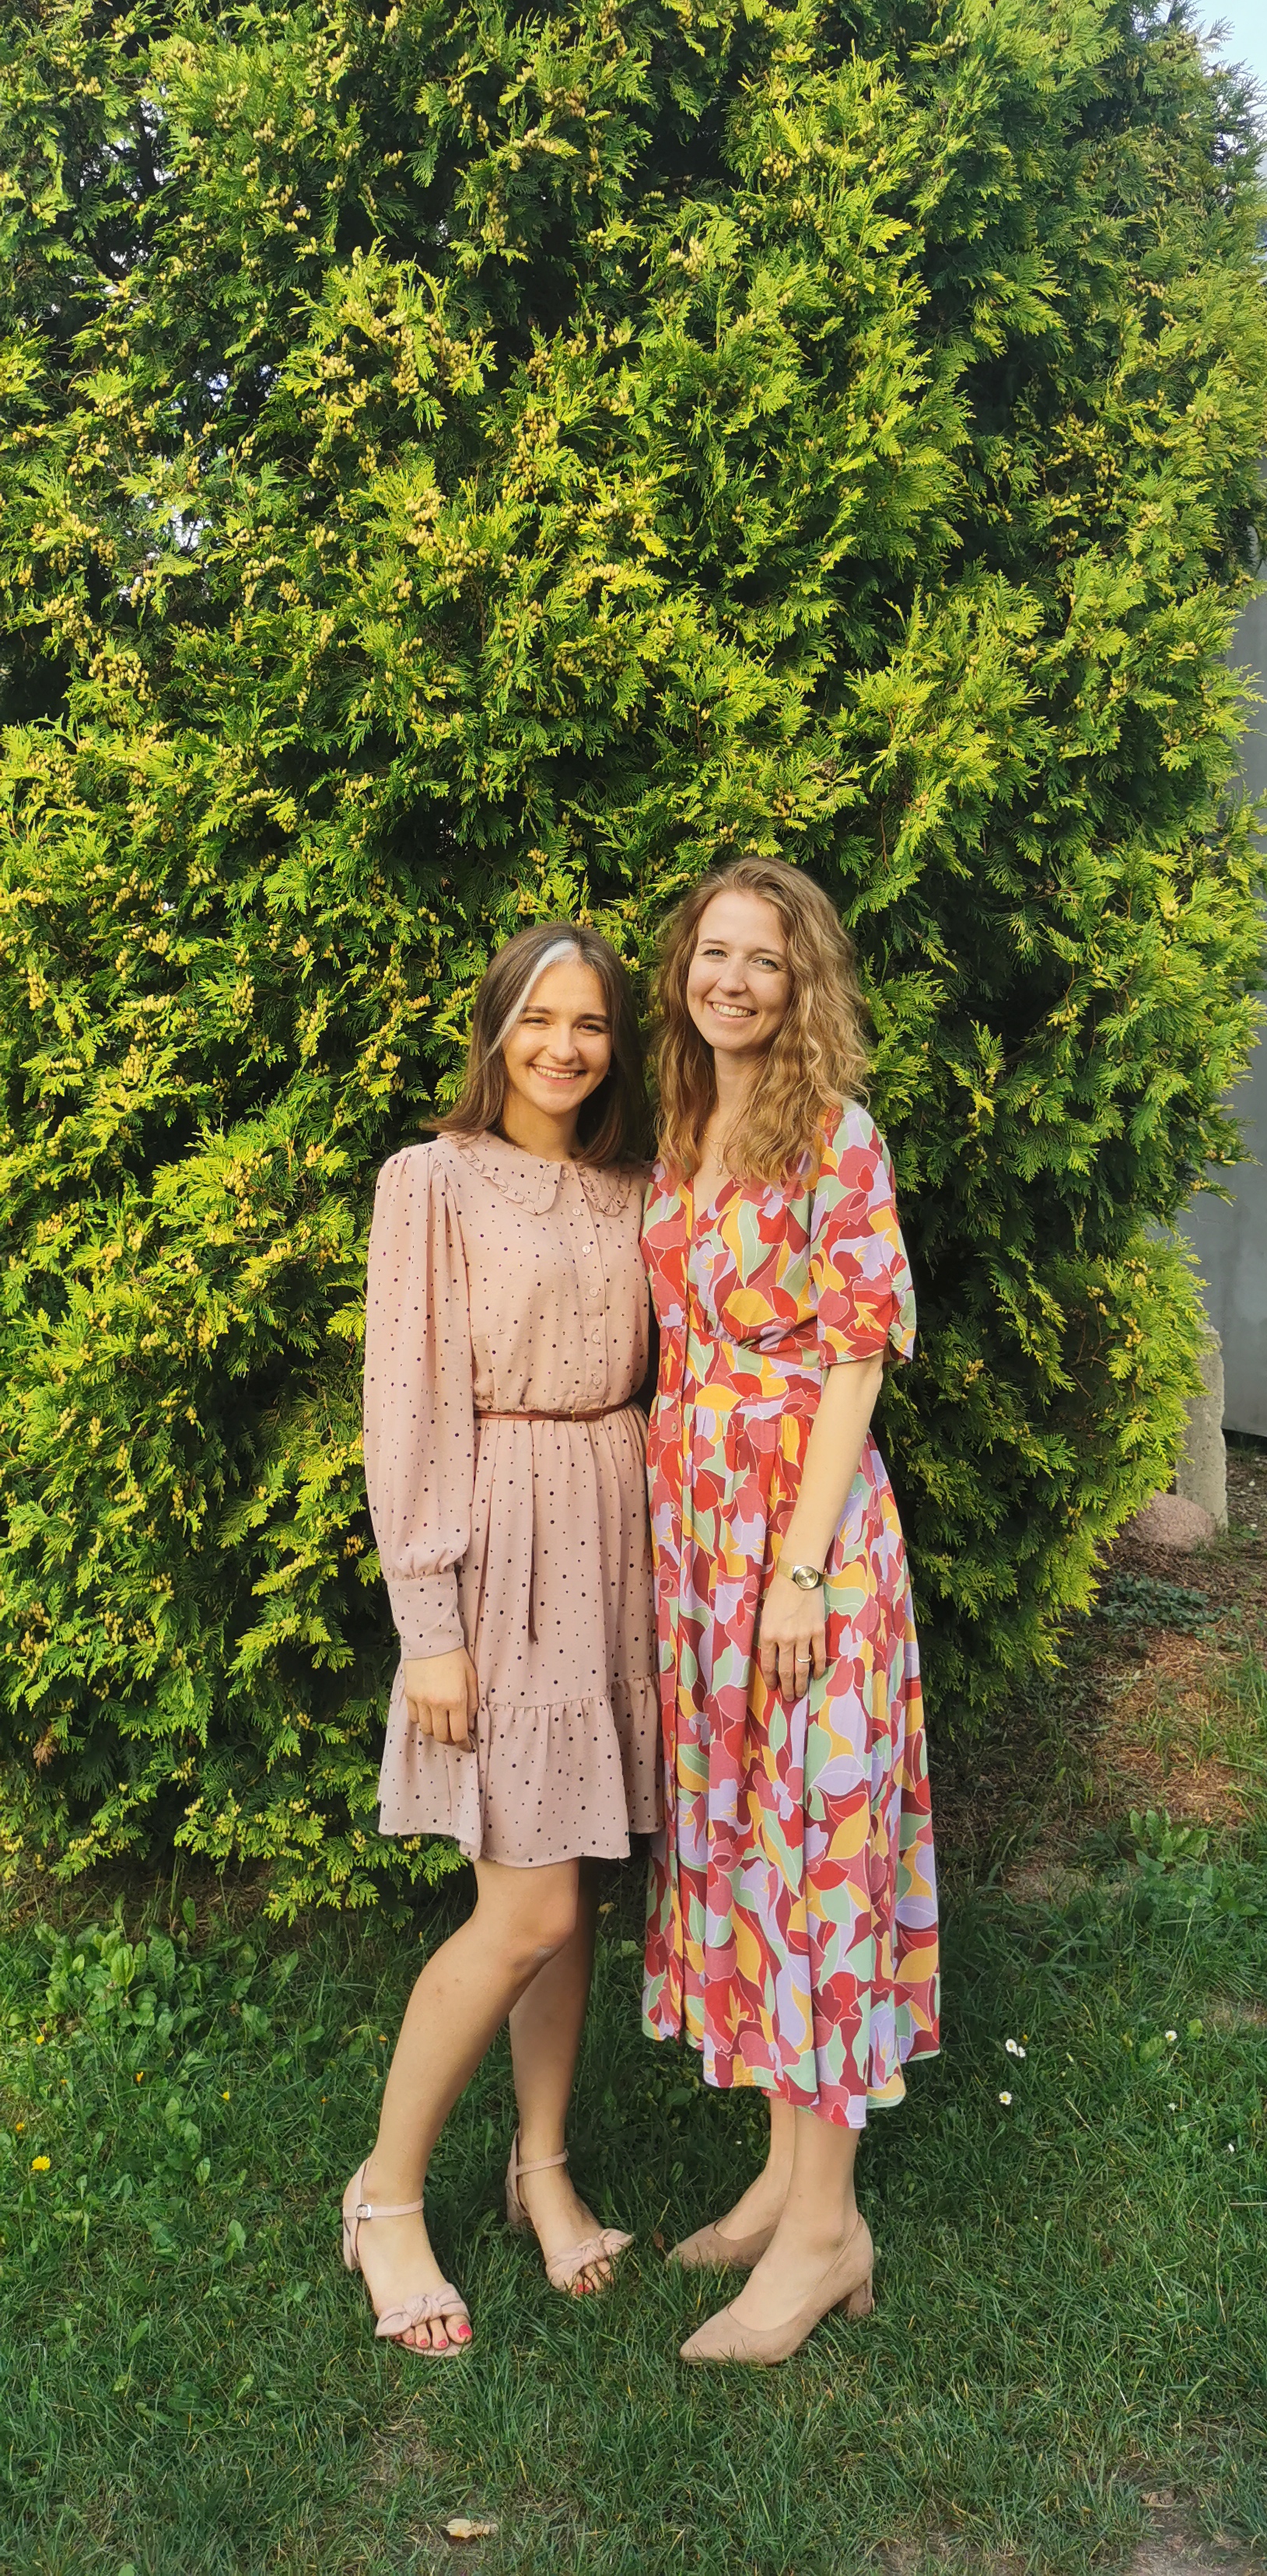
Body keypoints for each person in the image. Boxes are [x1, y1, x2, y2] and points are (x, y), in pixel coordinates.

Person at [343, 925, 659, 2357]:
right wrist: (431, 1623)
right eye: (539, 1018)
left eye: (590, 1024)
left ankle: (543, 2170)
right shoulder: (433, 1181)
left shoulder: (636, 1185)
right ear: (496, 1029)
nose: (564, 1047)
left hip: (615, 1531)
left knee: (572, 1888)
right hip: (502, 1548)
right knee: (521, 1909)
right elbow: (406, 1404)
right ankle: (386, 2196)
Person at [640, 857, 940, 2363]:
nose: (735, 980)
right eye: (715, 952)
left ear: (803, 981)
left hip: (804, 1553)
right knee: (757, 1856)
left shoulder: (837, 1133)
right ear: (684, 969)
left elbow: (857, 1355)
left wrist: (803, 1571)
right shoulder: (684, 1123)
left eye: (765, 959)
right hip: (702, 1553)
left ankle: (829, 2233)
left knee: (818, 1857)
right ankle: (781, 2180)